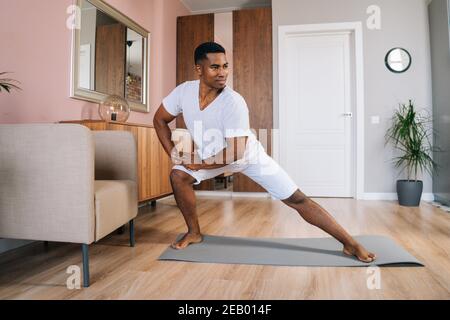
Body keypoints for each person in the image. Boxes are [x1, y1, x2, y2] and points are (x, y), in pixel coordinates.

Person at [153, 42, 376, 263]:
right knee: (178, 175)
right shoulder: (183, 92)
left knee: (297, 199)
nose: (223, 73)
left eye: (225, 66)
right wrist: (175, 155)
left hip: (247, 156)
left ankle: (350, 242)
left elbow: (236, 152)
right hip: (211, 158)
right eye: (215, 67)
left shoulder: (234, 102)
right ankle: (194, 232)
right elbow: (159, 119)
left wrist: (198, 162)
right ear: (199, 69)